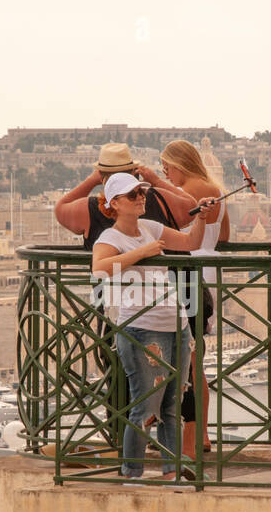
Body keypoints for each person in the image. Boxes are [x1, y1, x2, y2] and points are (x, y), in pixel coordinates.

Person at [91, 172, 218, 480]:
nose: (141, 197)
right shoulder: (110, 238)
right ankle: (132, 471)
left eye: (141, 192)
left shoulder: (149, 227)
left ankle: (171, 469)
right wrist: (141, 253)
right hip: (141, 327)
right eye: (133, 194)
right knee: (146, 407)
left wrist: (200, 216)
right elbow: (99, 269)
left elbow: (190, 241)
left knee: (173, 404)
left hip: (175, 324)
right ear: (115, 204)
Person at [158, 140, 231, 459]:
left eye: (167, 169)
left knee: (189, 361)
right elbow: (224, 236)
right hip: (211, 272)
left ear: (179, 165)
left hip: (188, 273)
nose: (167, 175)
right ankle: (198, 432)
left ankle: (191, 434)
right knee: (195, 358)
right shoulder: (217, 189)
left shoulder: (185, 194)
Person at [55, 143, 197, 247]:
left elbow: (60, 209)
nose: (140, 197)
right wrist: (156, 181)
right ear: (133, 172)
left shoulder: (89, 209)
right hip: (173, 284)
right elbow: (192, 207)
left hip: (114, 287)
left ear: (101, 175)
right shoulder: (158, 198)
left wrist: (92, 181)